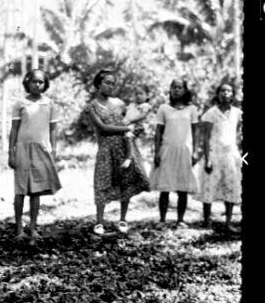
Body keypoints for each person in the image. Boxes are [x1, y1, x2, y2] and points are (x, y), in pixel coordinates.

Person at [85, 69, 150, 236]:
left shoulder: (120, 104)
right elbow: (103, 128)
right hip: (106, 148)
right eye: (107, 82)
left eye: (113, 83)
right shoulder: (92, 106)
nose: (110, 86)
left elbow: (131, 120)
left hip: (124, 146)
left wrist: (136, 129)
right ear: (98, 84)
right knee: (103, 182)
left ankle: (123, 218)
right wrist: (126, 128)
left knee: (126, 181)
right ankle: (99, 222)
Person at [8, 68, 61, 245]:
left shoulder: (49, 104)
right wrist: (11, 152)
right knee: (20, 189)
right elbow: (14, 129)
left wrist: (54, 150)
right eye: (34, 81)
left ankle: (33, 228)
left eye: (41, 82)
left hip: (41, 149)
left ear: (45, 84)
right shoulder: (20, 104)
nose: (37, 85)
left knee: (36, 190)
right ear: (27, 82)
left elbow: (53, 128)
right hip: (23, 149)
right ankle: (18, 229)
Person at [150, 78, 199, 228]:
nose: (176, 90)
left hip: (185, 150)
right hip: (167, 149)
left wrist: (195, 151)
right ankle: (162, 220)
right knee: (165, 187)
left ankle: (180, 220)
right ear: (170, 90)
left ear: (184, 90)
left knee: (182, 188)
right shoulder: (163, 108)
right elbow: (158, 132)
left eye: (179, 87)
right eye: (174, 87)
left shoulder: (191, 109)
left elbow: (195, 132)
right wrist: (157, 152)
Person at [200, 82, 242, 232]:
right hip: (214, 154)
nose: (225, 94)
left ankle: (228, 223)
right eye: (222, 91)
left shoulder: (237, 113)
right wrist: (207, 158)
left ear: (232, 95)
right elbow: (205, 137)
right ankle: (206, 222)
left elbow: (236, 133)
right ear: (218, 94)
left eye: (229, 91)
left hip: (230, 155)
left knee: (231, 186)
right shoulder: (211, 113)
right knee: (209, 186)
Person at [120, 85, 151, 169]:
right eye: (136, 94)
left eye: (141, 93)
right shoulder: (131, 105)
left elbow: (142, 116)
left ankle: (129, 157)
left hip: (138, 125)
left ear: (147, 95)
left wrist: (130, 120)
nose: (138, 96)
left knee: (128, 136)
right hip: (128, 125)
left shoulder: (145, 105)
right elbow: (124, 112)